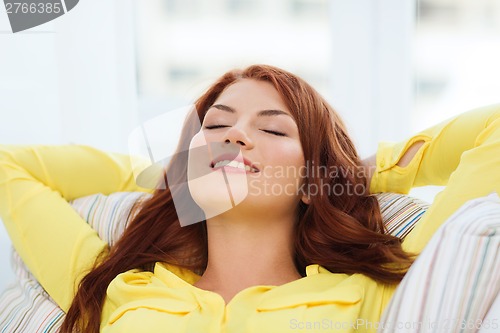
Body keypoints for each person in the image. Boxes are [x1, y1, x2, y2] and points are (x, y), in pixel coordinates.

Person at [0, 64, 498, 333]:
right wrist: (169, 175)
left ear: (309, 182)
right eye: (215, 125)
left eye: (272, 129)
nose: (234, 135)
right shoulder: (116, 289)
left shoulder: (372, 296)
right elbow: (9, 165)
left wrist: (351, 172)